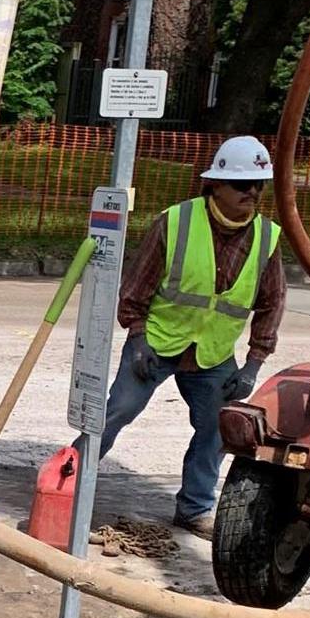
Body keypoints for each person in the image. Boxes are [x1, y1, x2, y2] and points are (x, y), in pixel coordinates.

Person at [101, 135, 284, 538]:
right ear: (215, 185)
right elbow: (136, 286)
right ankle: (68, 483)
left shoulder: (267, 238)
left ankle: (195, 507)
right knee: (116, 411)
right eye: (241, 185)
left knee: (218, 428)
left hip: (213, 355)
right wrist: (138, 337)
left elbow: (272, 303)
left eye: (258, 185)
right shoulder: (177, 222)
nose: (251, 193)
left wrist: (253, 364)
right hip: (157, 342)